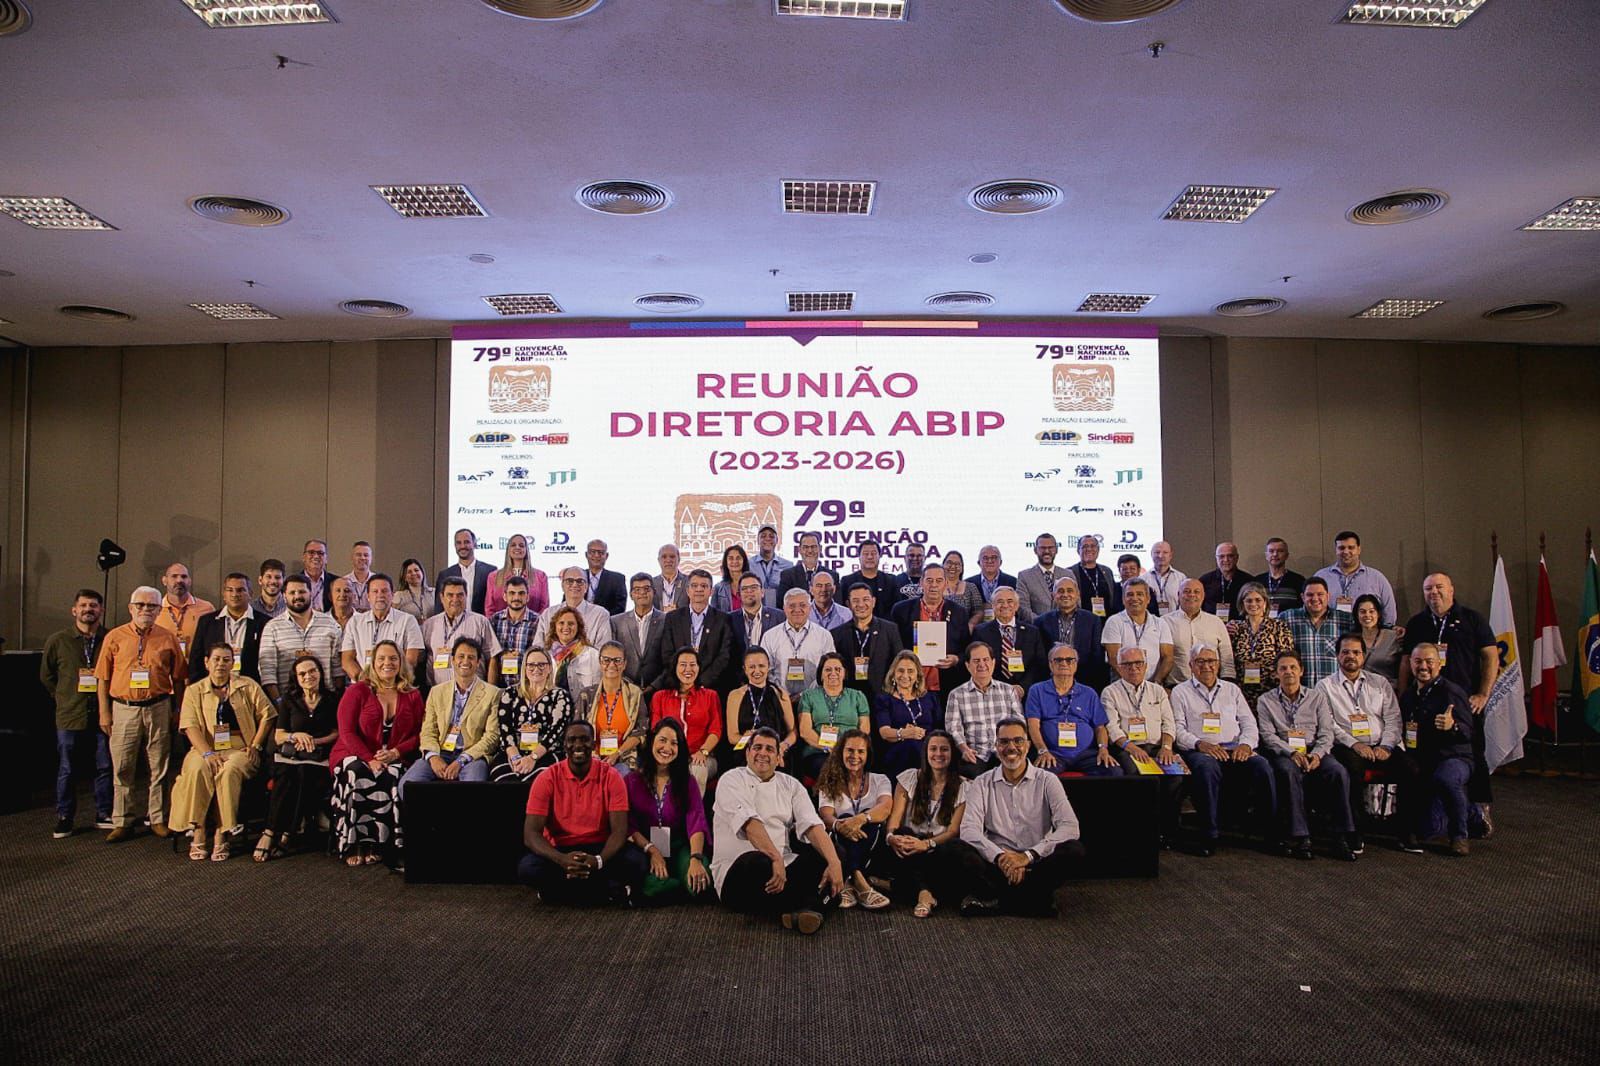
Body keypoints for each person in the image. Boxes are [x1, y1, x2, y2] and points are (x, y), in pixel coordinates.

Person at [711, 728, 846, 934]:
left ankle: (801, 909)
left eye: (770, 749)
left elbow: (812, 825)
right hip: (739, 872)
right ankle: (819, 902)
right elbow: (750, 824)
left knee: (835, 852)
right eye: (757, 747)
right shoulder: (730, 780)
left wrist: (834, 863)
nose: (762, 753)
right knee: (757, 861)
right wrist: (775, 858)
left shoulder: (791, 785)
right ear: (747, 753)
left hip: (782, 867)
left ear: (779, 757)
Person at [1398, 572, 1499, 831]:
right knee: (1425, 753)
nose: (1434, 593)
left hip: (1464, 701)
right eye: (1428, 588)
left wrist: (1483, 693)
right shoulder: (1418, 622)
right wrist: (1402, 695)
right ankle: (1442, 805)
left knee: (1473, 752)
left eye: (1439, 587)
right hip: (1426, 700)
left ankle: (1480, 808)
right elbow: (1406, 661)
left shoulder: (1472, 619)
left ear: (1451, 590)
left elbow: (1490, 656)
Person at [956, 717, 1083, 917]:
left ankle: (1001, 902)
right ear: (996, 746)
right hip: (997, 865)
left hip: (1037, 863)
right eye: (1004, 742)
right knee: (956, 848)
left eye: (1018, 741)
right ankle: (1032, 901)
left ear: (1028, 745)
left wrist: (1027, 856)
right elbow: (969, 829)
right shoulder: (982, 782)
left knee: (1074, 849)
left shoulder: (1048, 780)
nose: (1011, 747)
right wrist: (1000, 857)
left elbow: (1070, 826)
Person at [518, 720, 644, 904]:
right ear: (565, 745)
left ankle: (558, 893)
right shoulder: (546, 778)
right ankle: (605, 891)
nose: (578, 745)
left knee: (637, 862)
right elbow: (530, 834)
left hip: (601, 848)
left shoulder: (611, 776)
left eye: (584, 740)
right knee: (527, 868)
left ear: (593, 745)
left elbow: (619, 831)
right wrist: (562, 860)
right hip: (560, 851)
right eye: (572, 740)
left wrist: (598, 861)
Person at [170, 644, 276, 861]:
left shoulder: (247, 685)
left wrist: (255, 745)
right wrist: (208, 753)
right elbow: (190, 726)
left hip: (239, 747)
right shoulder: (194, 690)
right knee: (198, 768)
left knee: (229, 771)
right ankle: (198, 830)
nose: (221, 664)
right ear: (206, 662)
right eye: (216, 659)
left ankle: (222, 831)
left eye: (226, 660)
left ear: (232, 663)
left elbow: (268, 715)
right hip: (204, 747)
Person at [96, 586, 185, 841]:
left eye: (152, 606)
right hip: (124, 708)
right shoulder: (114, 637)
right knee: (122, 766)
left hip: (158, 706)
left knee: (159, 765)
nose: (146, 610)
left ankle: (157, 818)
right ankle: (123, 820)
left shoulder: (168, 638)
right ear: (131, 607)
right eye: (141, 605)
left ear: (160, 610)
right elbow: (102, 678)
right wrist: (105, 713)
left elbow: (178, 678)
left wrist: (178, 709)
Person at [1170, 643, 1275, 856]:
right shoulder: (1180, 692)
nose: (1206, 666)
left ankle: (1271, 833)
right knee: (1206, 768)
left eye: (1211, 661)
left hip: (1234, 748)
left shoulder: (1232, 690)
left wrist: (1246, 744)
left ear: (1218, 664)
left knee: (1262, 766)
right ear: (1191, 665)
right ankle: (1209, 834)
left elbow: (1249, 723)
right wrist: (1200, 744)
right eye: (1200, 662)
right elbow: (1178, 730)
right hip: (1199, 750)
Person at [329, 640, 424, 866]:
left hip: (393, 755)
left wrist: (395, 752)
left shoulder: (412, 695)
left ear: (401, 663)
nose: (387, 663)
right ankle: (354, 843)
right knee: (356, 772)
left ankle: (379, 843)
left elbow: (421, 734)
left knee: (391, 774)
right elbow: (346, 732)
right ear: (373, 662)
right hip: (354, 752)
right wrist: (369, 759)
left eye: (393, 658)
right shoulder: (358, 690)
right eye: (381, 658)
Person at [1256, 651, 1358, 861]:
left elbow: (1327, 733)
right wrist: (1291, 752)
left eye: (1293, 667)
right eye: (1283, 668)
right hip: (1285, 752)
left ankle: (1342, 836)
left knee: (1338, 771)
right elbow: (1267, 736)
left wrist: (1318, 755)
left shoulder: (1317, 697)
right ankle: (1301, 836)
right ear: (1276, 674)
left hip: (1315, 751)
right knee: (1287, 771)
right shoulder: (1265, 700)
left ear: (1301, 671)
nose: (1288, 672)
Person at [1318, 633, 1411, 847]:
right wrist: (1355, 744)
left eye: (1356, 652)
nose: (1351, 656)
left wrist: (1386, 746)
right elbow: (1328, 724)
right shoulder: (1325, 686)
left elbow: (1393, 718)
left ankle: (1405, 831)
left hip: (1382, 744)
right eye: (1345, 652)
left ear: (1364, 655)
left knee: (1411, 770)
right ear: (1337, 656)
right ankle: (1355, 830)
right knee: (1351, 771)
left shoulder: (1380, 683)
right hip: (1347, 745)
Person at [41, 589, 112, 838]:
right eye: (83, 605)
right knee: (67, 768)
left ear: (101, 610)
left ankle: (104, 812)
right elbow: (47, 676)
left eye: (93, 605)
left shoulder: (110, 638)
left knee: (104, 765)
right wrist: (62, 697)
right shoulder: (58, 640)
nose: (88, 610)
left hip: (103, 713)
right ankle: (65, 816)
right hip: (70, 714)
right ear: (74, 610)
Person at [255, 655, 338, 861]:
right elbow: (279, 735)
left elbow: (337, 732)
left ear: (320, 673)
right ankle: (271, 832)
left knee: (304, 773)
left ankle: (286, 833)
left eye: (312, 671)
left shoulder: (332, 699)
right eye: (302, 673)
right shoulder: (289, 700)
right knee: (285, 776)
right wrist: (296, 736)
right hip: (291, 755)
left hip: (319, 757)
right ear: (296, 677)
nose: (308, 676)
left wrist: (315, 741)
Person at [1398, 643, 1475, 856]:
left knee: (1447, 778)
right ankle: (1466, 812)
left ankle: (1459, 835)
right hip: (1424, 758)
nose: (1423, 666)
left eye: (1429, 661)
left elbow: (1468, 733)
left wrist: (1453, 727)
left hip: (1453, 757)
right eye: (1418, 661)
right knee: (1429, 830)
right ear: (1410, 664)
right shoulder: (1409, 696)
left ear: (1439, 664)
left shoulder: (1452, 692)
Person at [1101, 647, 1184, 843]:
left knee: (1175, 778)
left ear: (1146, 666)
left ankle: (1168, 832)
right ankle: (1141, 831)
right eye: (1128, 664)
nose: (1134, 668)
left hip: (1157, 748)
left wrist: (1166, 747)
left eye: (1138, 663)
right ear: (1119, 668)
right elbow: (1112, 728)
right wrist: (1131, 747)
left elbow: (1169, 722)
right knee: (1136, 776)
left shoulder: (1157, 691)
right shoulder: (1110, 692)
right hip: (1128, 749)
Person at [885, 730, 972, 917]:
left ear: (952, 753)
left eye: (944, 749)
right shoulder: (909, 778)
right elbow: (895, 818)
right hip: (909, 845)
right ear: (925, 753)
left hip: (937, 846)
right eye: (933, 749)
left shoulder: (964, 787)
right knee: (902, 833)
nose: (938, 754)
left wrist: (926, 844)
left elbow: (953, 830)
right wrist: (891, 836)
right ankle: (926, 893)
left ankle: (910, 889)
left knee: (955, 848)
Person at [624, 717, 712, 902]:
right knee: (649, 887)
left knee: (699, 883)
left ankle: (678, 883)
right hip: (647, 848)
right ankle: (674, 885)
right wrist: (652, 850)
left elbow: (696, 821)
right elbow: (629, 826)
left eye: (674, 743)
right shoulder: (632, 781)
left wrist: (695, 858)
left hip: (680, 846)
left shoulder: (688, 781)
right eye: (662, 740)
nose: (667, 748)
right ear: (652, 742)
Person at [399, 637, 501, 795]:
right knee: (406, 786)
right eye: (461, 656)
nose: (465, 661)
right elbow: (428, 731)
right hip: (440, 752)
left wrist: (461, 761)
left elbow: (492, 737)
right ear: (452, 660)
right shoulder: (436, 692)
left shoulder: (492, 693)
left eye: (471, 657)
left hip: (472, 756)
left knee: (475, 790)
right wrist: (433, 757)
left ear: (478, 662)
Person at [815, 729, 893, 909]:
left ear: (868, 754)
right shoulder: (830, 781)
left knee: (872, 820)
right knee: (842, 819)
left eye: (860, 751)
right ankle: (860, 881)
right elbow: (826, 815)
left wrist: (860, 819)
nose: (854, 756)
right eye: (850, 750)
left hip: (872, 846)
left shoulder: (880, 780)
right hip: (839, 842)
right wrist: (841, 825)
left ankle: (850, 880)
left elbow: (885, 808)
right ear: (841, 752)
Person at [1024, 645, 1121, 777]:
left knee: (1114, 772)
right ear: (1050, 665)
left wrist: (1103, 749)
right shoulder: (1037, 690)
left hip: (1086, 754)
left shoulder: (1089, 693)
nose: (1064, 663)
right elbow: (1033, 726)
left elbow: (1100, 727)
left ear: (1075, 665)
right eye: (1058, 660)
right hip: (1053, 753)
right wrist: (1042, 750)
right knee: (1039, 777)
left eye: (1069, 660)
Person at [645, 569, 734, 697]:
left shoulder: (723, 619)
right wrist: (683, 680)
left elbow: (724, 656)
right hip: (677, 686)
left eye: (704, 586)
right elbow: (667, 653)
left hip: (710, 689)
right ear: (687, 590)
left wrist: (700, 682)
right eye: (694, 585)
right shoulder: (673, 618)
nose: (699, 589)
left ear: (711, 591)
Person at [491, 645, 574, 782]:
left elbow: (555, 733)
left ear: (549, 668)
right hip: (513, 752)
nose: (536, 669)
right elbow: (505, 729)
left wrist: (532, 758)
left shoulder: (559, 695)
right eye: (531, 665)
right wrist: (515, 757)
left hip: (546, 753)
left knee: (538, 780)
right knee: (504, 778)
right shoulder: (510, 693)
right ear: (524, 668)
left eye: (542, 665)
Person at [890, 563, 969, 704]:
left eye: (939, 581)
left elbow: (967, 649)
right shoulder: (901, 610)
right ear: (921, 583)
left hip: (947, 685)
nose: (934, 585)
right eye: (929, 580)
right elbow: (893, 647)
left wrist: (956, 659)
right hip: (909, 685)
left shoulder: (959, 612)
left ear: (945, 583)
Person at [258, 574, 345, 702]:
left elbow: (338, 669)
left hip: (326, 702)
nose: (297, 596)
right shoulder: (272, 627)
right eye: (292, 592)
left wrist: (337, 700)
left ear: (311, 593)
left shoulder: (330, 624)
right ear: (284, 596)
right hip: (288, 703)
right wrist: (279, 702)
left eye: (302, 592)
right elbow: (267, 672)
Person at [945, 642, 1023, 780]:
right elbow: (953, 728)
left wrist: (1012, 746)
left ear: (993, 663)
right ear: (968, 666)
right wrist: (964, 749)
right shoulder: (956, 694)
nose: (982, 664)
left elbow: (1019, 724)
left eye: (986, 660)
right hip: (975, 754)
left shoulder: (1008, 690)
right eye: (976, 661)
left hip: (1004, 751)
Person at [648, 647, 722, 791]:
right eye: (683, 664)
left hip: (701, 756)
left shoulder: (710, 696)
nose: (688, 669)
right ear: (674, 667)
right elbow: (655, 731)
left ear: (699, 668)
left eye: (693, 665)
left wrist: (703, 751)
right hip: (668, 754)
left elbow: (716, 730)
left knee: (697, 770)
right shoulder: (660, 697)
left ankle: (694, 813)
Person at [795, 652, 873, 780]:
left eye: (838, 669)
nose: (833, 673)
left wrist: (846, 749)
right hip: (818, 751)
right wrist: (828, 747)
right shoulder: (809, 696)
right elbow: (805, 731)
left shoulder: (858, 696)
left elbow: (864, 730)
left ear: (844, 673)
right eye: (828, 670)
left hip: (852, 752)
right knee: (828, 767)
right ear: (821, 674)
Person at [575, 641, 647, 774]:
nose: (612, 665)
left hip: (623, 758)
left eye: (617, 660)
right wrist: (592, 754)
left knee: (620, 773)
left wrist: (617, 754)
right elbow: (577, 731)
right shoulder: (587, 695)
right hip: (591, 758)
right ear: (600, 663)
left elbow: (640, 732)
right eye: (606, 660)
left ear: (624, 664)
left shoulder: (635, 694)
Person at [340, 572, 425, 682]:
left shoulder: (408, 621)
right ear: (368, 597)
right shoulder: (355, 622)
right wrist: (366, 681)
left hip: (395, 685)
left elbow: (411, 660)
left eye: (384, 591)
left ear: (392, 595)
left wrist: (388, 683)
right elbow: (347, 660)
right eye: (375, 591)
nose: (380, 595)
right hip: (364, 686)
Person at [873, 649, 944, 777]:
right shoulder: (884, 699)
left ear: (918, 675)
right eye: (900, 670)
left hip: (929, 752)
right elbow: (884, 732)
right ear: (893, 674)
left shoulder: (931, 698)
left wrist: (920, 734)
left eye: (910, 671)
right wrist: (905, 733)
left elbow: (939, 730)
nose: (905, 675)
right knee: (911, 746)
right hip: (898, 754)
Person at [186, 572, 266, 683]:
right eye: (230, 590)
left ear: (250, 594)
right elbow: (196, 659)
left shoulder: (264, 622)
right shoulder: (207, 622)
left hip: (250, 688)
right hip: (213, 688)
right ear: (223, 594)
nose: (235, 594)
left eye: (240, 590)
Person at [421, 576, 502, 687]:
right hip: (438, 694)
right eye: (450, 595)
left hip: (474, 693)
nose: (455, 599)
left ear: (466, 596)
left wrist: (491, 692)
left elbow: (492, 656)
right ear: (442, 597)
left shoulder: (480, 622)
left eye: (460, 595)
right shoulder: (429, 625)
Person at [831, 582, 905, 700]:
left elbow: (899, 663)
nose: (861, 604)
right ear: (848, 604)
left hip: (883, 698)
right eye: (855, 600)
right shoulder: (836, 634)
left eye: (866, 599)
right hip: (847, 699)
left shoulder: (890, 629)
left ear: (873, 601)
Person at [1227, 582, 1295, 708]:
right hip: (1243, 692)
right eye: (1249, 601)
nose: (1253, 604)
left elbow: (1286, 659)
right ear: (1242, 604)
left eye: (1258, 600)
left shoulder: (1278, 626)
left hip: (1271, 691)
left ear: (1265, 602)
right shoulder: (1236, 628)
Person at [724, 647, 798, 762]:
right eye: (752, 667)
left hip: (776, 750)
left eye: (761, 666)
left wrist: (784, 745)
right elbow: (732, 737)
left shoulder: (780, 694)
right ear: (745, 669)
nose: (757, 671)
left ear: (768, 667)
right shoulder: (735, 695)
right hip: (747, 750)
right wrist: (756, 744)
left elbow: (792, 732)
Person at [760, 589, 834, 700]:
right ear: (784, 608)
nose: (797, 610)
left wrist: (805, 695)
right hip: (779, 699)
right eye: (792, 606)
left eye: (802, 605)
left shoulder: (824, 636)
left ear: (810, 608)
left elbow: (829, 669)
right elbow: (765, 670)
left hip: (815, 699)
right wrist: (781, 693)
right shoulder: (770, 636)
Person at [1035, 578, 1108, 690]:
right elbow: (1040, 657)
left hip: (1085, 681)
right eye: (1060, 591)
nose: (1065, 594)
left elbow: (1097, 655)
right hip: (1050, 682)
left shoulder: (1093, 620)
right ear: (1053, 595)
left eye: (1070, 591)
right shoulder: (1041, 621)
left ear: (1077, 594)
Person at [1314, 530, 1398, 625]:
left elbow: (1389, 612)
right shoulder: (1321, 577)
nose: (1346, 552)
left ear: (1359, 549)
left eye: (1351, 547)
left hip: (1366, 637)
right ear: (1336, 550)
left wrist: (1384, 635)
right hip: (1330, 636)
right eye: (1341, 548)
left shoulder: (1377, 578)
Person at [973, 587, 1048, 690]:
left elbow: (1039, 664)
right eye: (1000, 601)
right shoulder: (980, 632)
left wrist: (1022, 687)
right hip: (993, 691)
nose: (1005, 605)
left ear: (1017, 606)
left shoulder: (1032, 632)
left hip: (1026, 692)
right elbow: (977, 663)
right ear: (993, 606)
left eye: (1010, 601)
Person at [1101, 579, 1175, 685]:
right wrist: (1132, 682)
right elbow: (1113, 658)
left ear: (1148, 598)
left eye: (1139, 594)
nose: (1134, 598)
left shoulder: (1160, 623)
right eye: (1130, 594)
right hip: (1122, 685)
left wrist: (1156, 682)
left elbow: (1168, 657)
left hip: (1153, 685)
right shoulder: (1114, 622)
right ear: (1123, 599)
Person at [1163, 578, 1236, 685]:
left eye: (1196, 592)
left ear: (1203, 596)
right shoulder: (1165, 622)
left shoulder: (1216, 622)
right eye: (1187, 591)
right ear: (1178, 595)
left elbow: (1227, 659)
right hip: (1176, 686)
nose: (1192, 595)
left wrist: (1226, 688)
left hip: (1211, 687)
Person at [1280, 577, 1344, 688]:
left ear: (1328, 596)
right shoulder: (1287, 618)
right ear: (1302, 597)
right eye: (1310, 595)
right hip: (1299, 693)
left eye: (1320, 594)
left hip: (1333, 693)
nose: (1315, 599)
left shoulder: (1344, 620)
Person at [154, 562, 216, 669]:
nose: (179, 580)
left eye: (184, 577)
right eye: (174, 576)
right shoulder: (154, 609)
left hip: (198, 673)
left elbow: (215, 642)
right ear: (164, 580)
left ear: (190, 581)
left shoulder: (207, 608)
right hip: (164, 674)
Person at [538, 566, 614, 647]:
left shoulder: (600, 615)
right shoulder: (548, 614)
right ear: (562, 585)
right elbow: (538, 648)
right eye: (570, 581)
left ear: (586, 586)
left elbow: (604, 651)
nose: (574, 585)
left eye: (580, 581)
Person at [486, 574, 538, 688]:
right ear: (505, 596)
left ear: (528, 597)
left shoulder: (537, 621)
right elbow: (491, 657)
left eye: (521, 593)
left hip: (526, 687)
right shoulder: (495, 620)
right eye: (512, 593)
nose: (516, 597)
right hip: (499, 685)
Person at [612, 572, 664, 685]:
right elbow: (614, 657)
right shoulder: (616, 622)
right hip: (625, 687)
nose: (642, 593)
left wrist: (654, 686)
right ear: (631, 595)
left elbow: (669, 659)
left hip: (657, 689)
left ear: (654, 592)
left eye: (646, 589)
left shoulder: (666, 620)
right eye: (637, 589)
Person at [484, 532, 550, 617]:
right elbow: (489, 608)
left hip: (532, 627)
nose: (517, 547)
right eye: (513, 545)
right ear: (508, 549)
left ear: (526, 550)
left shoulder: (541, 576)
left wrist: (536, 626)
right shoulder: (494, 577)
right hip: (499, 628)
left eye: (521, 545)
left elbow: (544, 607)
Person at [435, 528, 496, 614]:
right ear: (455, 546)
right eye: (459, 543)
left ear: (474, 544)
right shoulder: (445, 575)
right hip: (453, 625)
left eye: (467, 542)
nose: (463, 546)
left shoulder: (490, 571)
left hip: (481, 624)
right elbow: (439, 607)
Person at [727, 572, 784, 664]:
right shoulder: (728, 619)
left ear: (762, 592)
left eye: (754, 587)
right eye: (744, 589)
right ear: (739, 595)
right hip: (738, 675)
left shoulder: (779, 617)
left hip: (770, 673)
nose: (749, 591)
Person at [838, 539, 901, 619]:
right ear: (859, 557)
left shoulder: (891, 581)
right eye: (865, 554)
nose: (870, 557)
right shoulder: (847, 581)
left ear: (879, 556)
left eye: (874, 553)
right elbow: (843, 610)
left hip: (885, 628)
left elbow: (897, 610)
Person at [547, 604, 601, 696]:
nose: (566, 627)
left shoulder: (594, 655)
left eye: (571, 623)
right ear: (555, 628)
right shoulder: (546, 656)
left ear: (578, 627)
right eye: (561, 623)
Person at [1067, 534, 1121, 619]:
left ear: (1098, 550)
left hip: (1105, 622)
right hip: (1080, 621)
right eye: (1085, 546)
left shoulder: (1107, 571)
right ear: (1078, 550)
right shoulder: (1069, 573)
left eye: (1093, 546)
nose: (1089, 549)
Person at [1351, 593, 1402, 683]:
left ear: (1378, 614)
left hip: (1387, 691)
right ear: (1357, 615)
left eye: (1371, 611)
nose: (1367, 615)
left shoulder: (1394, 637)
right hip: (1359, 691)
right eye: (1362, 611)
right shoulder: (1352, 640)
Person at [1198, 541, 1254, 621]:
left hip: (1240, 627)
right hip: (1211, 627)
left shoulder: (1249, 581)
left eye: (1230, 556)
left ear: (1237, 557)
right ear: (1216, 558)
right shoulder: (1205, 580)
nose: (1226, 560)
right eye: (1221, 556)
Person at [1015, 532, 1064, 621]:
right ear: (1035, 550)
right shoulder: (1024, 576)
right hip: (1036, 630)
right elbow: (1023, 608)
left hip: (1065, 630)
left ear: (1056, 550)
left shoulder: (1068, 574)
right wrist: (1043, 624)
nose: (1047, 551)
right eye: (1042, 548)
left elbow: (1076, 605)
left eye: (1050, 548)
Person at [777, 531, 838, 600]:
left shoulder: (832, 575)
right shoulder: (787, 575)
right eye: (805, 547)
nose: (810, 551)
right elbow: (781, 603)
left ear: (820, 549)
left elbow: (837, 605)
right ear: (799, 550)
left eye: (813, 547)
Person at [970, 544, 1018, 625]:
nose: (990, 561)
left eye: (994, 557)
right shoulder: (969, 583)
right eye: (985, 558)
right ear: (979, 563)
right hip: (977, 630)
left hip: (1005, 628)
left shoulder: (1013, 582)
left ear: (1001, 562)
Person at [1259, 537, 1307, 619]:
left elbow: (1303, 609)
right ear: (1266, 555)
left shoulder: (1298, 580)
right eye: (1271, 551)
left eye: (1280, 551)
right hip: (1262, 628)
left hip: (1289, 626)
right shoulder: (1257, 581)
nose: (1275, 554)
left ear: (1287, 555)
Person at [749, 523, 793, 609]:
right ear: (757, 540)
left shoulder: (788, 566)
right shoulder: (748, 564)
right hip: (755, 612)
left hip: (780, 613)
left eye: (771, 536)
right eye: (763, 536)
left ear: (777, 540)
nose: (767, 539)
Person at [581, 538, 628, 615]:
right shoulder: (577, 577)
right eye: (593, 552)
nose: (596, 555)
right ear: (586, 555)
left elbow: (620, 608)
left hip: (606, 623)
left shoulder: (617, 579)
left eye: (600, 552)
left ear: (606, 556)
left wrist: (600, 619)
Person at [1144, 541, 1188, 614]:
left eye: (1165, 552)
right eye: (1157, 552)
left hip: (1174, 622)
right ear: (1151, 554)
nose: (1160, 556)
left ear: (1170, 555)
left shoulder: (1181, 578)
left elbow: (1185, 601)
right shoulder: (1143, 579)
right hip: (1151, 622)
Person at [942, 549, 986, 618]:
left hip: (964, 627)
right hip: (938, 628)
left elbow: (979, 612)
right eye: (949, 563)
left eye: (957, 564)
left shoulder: (971, 587)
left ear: (962, 568)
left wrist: (970, 626)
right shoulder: (934, 586)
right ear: (943, 565)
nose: (953, 566)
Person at [335, 541, 374, 613]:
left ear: (371, 558)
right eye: (359, 555)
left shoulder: (377, 582)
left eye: (366, 555)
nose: (362, 558)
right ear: (352, 558)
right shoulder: (343, 582)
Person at [392, 558, 435, 623]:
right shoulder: (399, 596)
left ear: (422, 572)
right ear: (404, 577)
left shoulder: (434, 592)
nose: (414, 573)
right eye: (409, 572)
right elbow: (393, 618)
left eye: (416, 570)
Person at [712, 543, 751, 613]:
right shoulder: (718, 588)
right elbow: (713, 614)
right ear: (726, 562)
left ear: (744, 561)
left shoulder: (752, 585)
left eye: (738, 558)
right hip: (725, 623)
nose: (735, 561)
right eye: (731, 558)